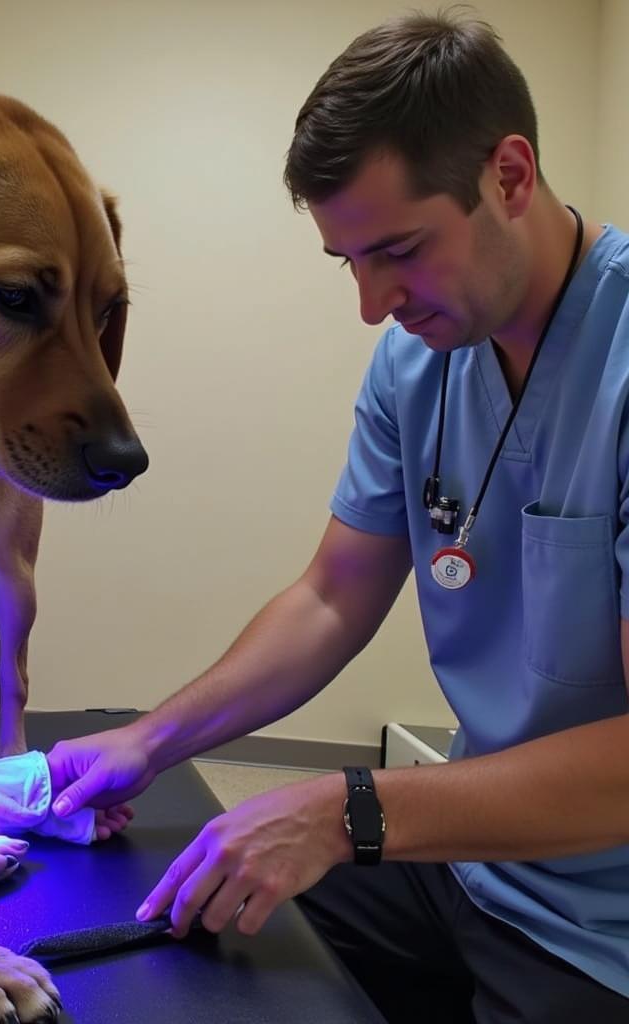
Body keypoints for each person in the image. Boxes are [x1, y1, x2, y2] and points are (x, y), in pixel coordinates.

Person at [45, 10, 629, 1022]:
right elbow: (330, 596)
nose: (371, 304)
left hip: (602, 921)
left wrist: (348, 806)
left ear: (510, 175)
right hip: (473, 861)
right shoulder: (417, 361)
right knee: (184, 934)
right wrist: (152, 737)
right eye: (347, 261)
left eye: (397, 250)